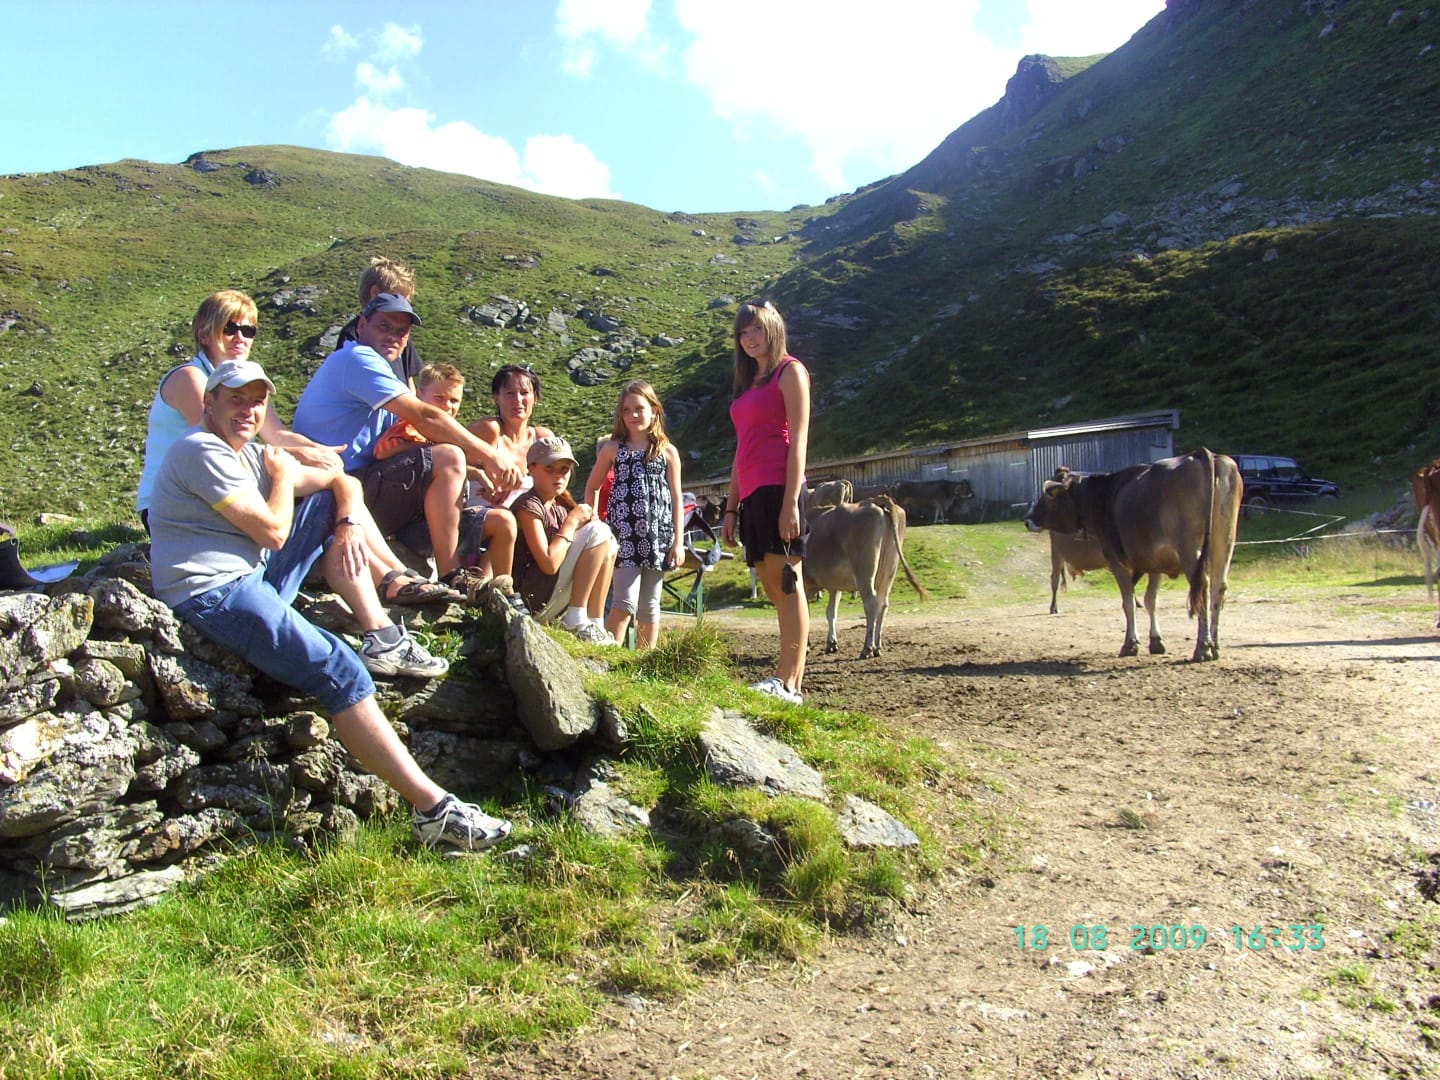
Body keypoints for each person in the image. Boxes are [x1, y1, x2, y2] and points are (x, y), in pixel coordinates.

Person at [148, 358, 510, 851]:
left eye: (257, 401)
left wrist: (347, 522)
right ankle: (433, 811)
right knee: (340, 668)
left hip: (248, 577)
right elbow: (273, 533)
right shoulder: (201, 450)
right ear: (209, 402)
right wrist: (281, 477)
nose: (248, 410)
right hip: (212, 592)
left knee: (327, 502)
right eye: (236, 399)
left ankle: (380, 631)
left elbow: (343, 481)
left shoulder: (248, 454)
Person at [291, 293, 524, 586]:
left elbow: (411, 440)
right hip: (333, 492)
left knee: (464, 488)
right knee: (448, 457)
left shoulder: (381, 375)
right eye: (384, 326)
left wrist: (475, 471)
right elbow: (425, 418)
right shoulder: (357, 359)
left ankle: (471, 579)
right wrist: (489, 455)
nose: (393, 336)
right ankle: (453, 574)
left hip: (354, 487)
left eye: (402, 331)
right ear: (362, 326)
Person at [135, 290, 336, 533]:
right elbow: (222, 444)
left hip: (220, 486)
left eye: (248, 330)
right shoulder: (190, 377)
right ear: (204, 334)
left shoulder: (244, 383)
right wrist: (301, 456)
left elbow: (277, 435)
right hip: (173, 502)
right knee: (323, 494)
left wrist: (323, 452)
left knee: (329, 489)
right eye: (229, 328)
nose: (240, 338)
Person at [720, 299, 810, 705]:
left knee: (788, 582)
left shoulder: (790, 371)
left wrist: (791, 501)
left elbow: (800, 440)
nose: (749, 338)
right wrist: (731, 508)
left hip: (779, 488)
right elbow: (741, 450)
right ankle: (788, 680)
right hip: (753, 494)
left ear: (773, 328)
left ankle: (789, 683)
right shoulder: (748, 384)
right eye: (743, 333)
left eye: (756, 329)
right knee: (772, 585)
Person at [373, 363, 518, 584]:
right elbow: (383, 451)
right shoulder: (410, 427)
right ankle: (451, 573)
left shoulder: (447, 436)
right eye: (439, 398)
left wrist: (477, 474)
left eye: (454, 401)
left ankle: (502, 589)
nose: (447, 406)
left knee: (504, 521)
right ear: (419, 396)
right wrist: (430, 450)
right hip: (409, 522)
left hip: (442, 522)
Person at [583, 381, 684, 649]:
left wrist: (678, 542)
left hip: (657, 538)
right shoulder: (612, 448)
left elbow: (676, 498)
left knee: (650, 606)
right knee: (624, 602)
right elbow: (592, 486)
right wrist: (593, 521)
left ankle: (643, 662)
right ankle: (607, 656)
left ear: (654, 410)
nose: (633, 415)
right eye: (626, 410)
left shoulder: (667, 451)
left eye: (639, 408)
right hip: (624, 536)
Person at [512, 436, 619, 643]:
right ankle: (575, 618)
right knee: (598, 531)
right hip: (530, 602)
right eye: (549, 469)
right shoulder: (528, 506)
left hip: (549, 594)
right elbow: (549, 564)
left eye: (564, 470)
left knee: (608, 542)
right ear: (532, 469)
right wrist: (572, 522)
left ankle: (594, 623)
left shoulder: (559, 505)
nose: (558, 476)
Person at [466, 364, 555, 510]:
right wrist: (479, 475)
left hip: (528, 517)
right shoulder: (489, 430)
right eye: (510, 393)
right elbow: (443, 460)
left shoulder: (542, 439)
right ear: (496, 397)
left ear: (535, 398)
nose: (518, 399)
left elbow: (557, 485)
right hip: (485, 514)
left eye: (524, 392)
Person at [337, 257, 423, 389]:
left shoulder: (400, 336)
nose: (403, 305)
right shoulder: (352, 334)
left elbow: (408, 379)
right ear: (374, 293)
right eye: (398, 298)